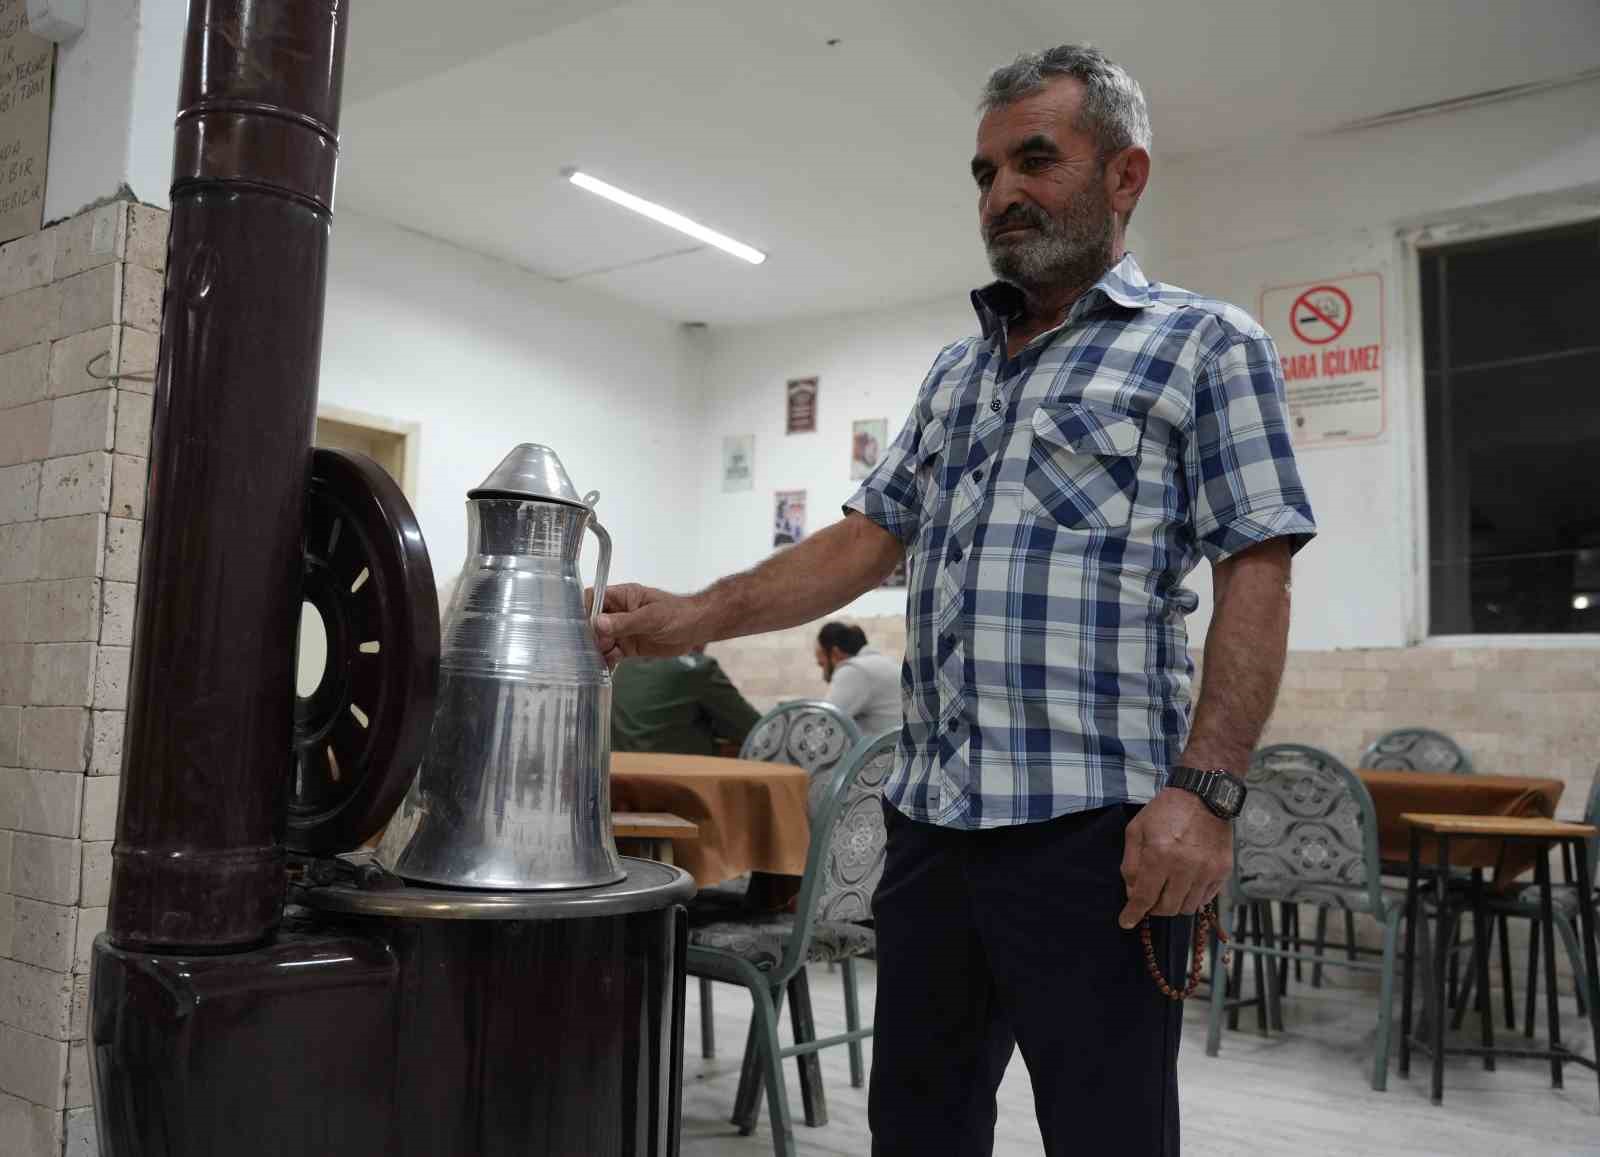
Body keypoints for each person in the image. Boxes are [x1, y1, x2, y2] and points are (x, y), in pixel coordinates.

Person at [595, 44, 1314, 1156]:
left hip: (1098, 835)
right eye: (982, 172)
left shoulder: (1204, 343)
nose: (1000, 195)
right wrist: (684, 617)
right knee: (918, 1130)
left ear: (1124, 177)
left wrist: (1205, 794)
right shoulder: (954, 374)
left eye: (1035, 159)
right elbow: (859, 543)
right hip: (931, 828)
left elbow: (1255, 570)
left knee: (1108, 1131)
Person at [610, 647, 761, 757]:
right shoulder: (698, 668)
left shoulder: (621, 664)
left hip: (621, 784)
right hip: (679, 785)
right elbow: (756, 731)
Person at [815, 622, 902, 735]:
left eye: (822, 664)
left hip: (881, 751)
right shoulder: (883, 662)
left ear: (835, 653)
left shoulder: (854, 670)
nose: (823, 674)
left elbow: (822, 723)